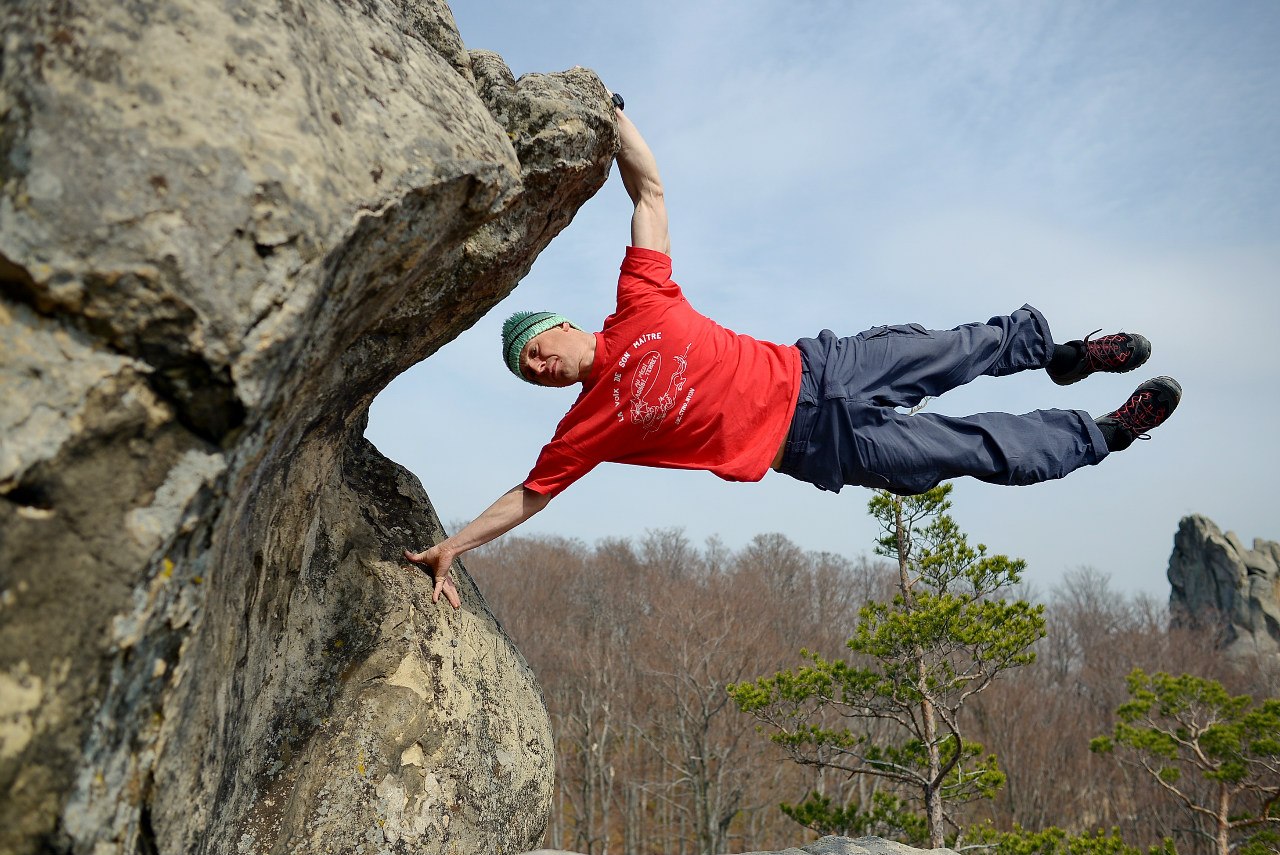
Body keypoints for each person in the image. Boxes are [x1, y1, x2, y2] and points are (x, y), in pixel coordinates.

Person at [405, 95, 1182, 609]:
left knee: (955, 349)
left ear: (565, 326)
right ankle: (1107, 433)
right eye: (529, 373)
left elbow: (650, 194)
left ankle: (1064, 353)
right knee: (974, 452)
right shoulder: (590, 425)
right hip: (816, 444)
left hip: (821, 368)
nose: (541, 367)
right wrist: (451, 546)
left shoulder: (639, 300)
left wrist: (613, 118)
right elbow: (530, 495)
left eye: (536, 348)